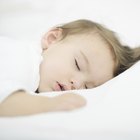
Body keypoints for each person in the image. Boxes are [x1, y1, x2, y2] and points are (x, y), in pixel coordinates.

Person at [0, 19, 139, 116]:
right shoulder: (23, 57)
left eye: (87, 87)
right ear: (52, 39)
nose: (77, 84)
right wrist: (48, 105)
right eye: (78, 65)